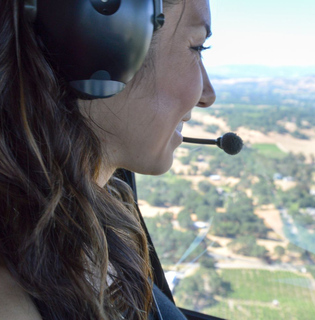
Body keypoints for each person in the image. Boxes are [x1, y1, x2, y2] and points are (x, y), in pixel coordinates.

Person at [0, 0, 215, 319]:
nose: (208, 95)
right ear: (100, 36)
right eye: (197, 47)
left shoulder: (95, 218)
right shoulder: (16, 304)